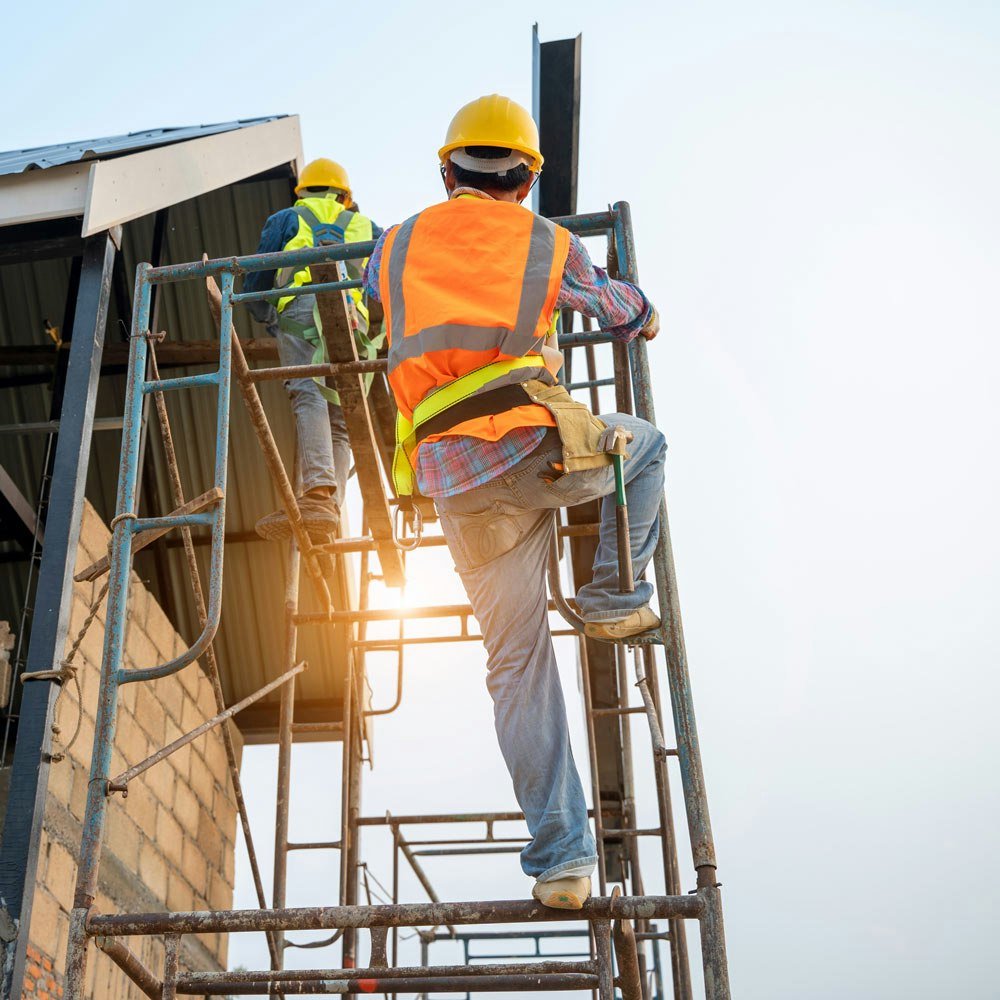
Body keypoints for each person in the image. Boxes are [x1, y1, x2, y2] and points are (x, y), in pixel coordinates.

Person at [362, 95, 665, 909]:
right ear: (526, 179)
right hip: (533, 442)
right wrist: (645, 311)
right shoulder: (548, 241)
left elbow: (369, 315)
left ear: (446, 168)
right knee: (643, 448)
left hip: (451, 478)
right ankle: (609, 595)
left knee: (516, 665)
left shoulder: (389, 248)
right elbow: (615, 309)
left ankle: (562, 859)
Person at [244, 158, 382, 539]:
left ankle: (319, 494)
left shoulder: (288, 218)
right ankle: (328, 508)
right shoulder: (367, 227)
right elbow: (382, 286)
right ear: (344, 196)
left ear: (303, 191)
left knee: (308, 394)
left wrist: (264, 314)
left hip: (301, 310)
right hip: (351, 323)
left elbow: (258, 275)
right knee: (338, 417)